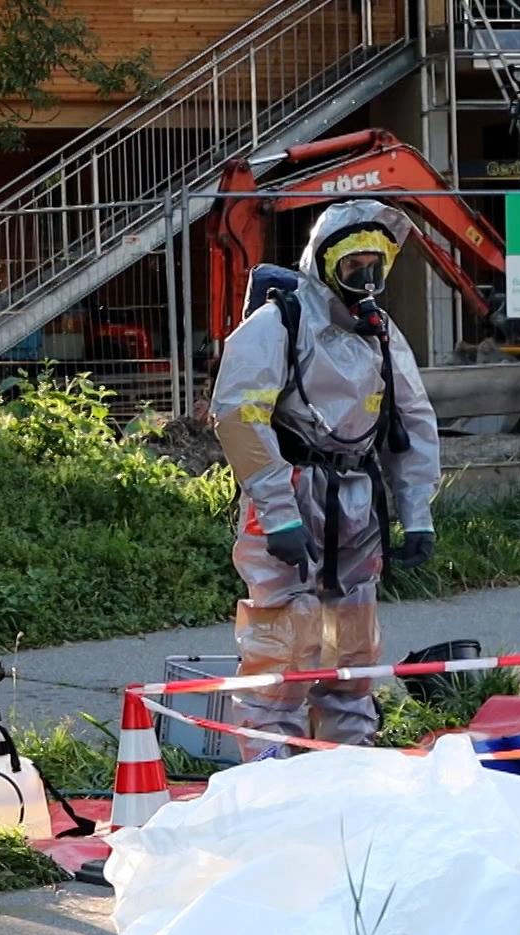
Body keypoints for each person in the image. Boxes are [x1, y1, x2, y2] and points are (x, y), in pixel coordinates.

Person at [210, 200, 441, 760]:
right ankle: (274, 781)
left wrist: (417, 514)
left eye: (374, 262)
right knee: (283, 647)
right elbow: (239, 414)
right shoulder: (279, 324)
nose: (365, 276)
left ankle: (350, 772)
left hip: (356, 506)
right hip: (290, 492)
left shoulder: (380, 334)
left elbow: (410, 422)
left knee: (352, 652)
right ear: (325, 262)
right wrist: (278, 511)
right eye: (352, 262)